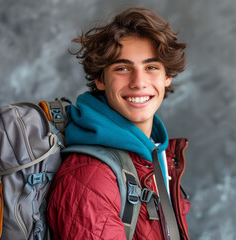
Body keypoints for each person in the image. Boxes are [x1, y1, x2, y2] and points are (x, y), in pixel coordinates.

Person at [47, 6, 190, 240]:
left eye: (151, 67)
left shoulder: (154, 155)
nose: (139, 82)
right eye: (122, 68)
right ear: (100, 79)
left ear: (167, 77)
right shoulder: (90, 178)